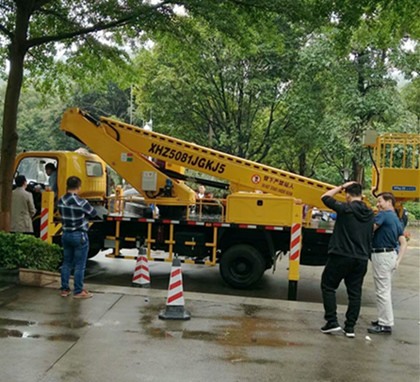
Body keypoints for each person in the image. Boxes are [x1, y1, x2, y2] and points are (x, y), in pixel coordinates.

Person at [320, 181, 374, 338]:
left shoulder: (346, 208)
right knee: (355, 293)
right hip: (361, 258)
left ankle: (332, 321)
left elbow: (325, 197)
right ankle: (350, 328)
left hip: (341, 255)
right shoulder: (370, 213)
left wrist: (341, 186)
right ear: (362, 195)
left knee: (328, 286)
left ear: (348, 195)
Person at [368, 192, 407, 335]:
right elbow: (403, 243)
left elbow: (369, 230)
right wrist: (398, 261)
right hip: (391, 256)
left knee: (382, 291)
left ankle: (385, 324)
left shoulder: (383, 215)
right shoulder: (397, 219)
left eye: (380, 201)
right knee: (385, 290)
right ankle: (383, 319)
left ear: (389, 202)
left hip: (381, 255)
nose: (378, 205)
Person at [58, 176, 97, 298]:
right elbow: (94, 213)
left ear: (67, 186)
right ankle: (78, 291)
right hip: (79, 235)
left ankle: (65, 289)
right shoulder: (82, 202)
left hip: (66, 234)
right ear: (79, 187)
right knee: (80, 265)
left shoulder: (61, 200)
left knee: (66, 263)